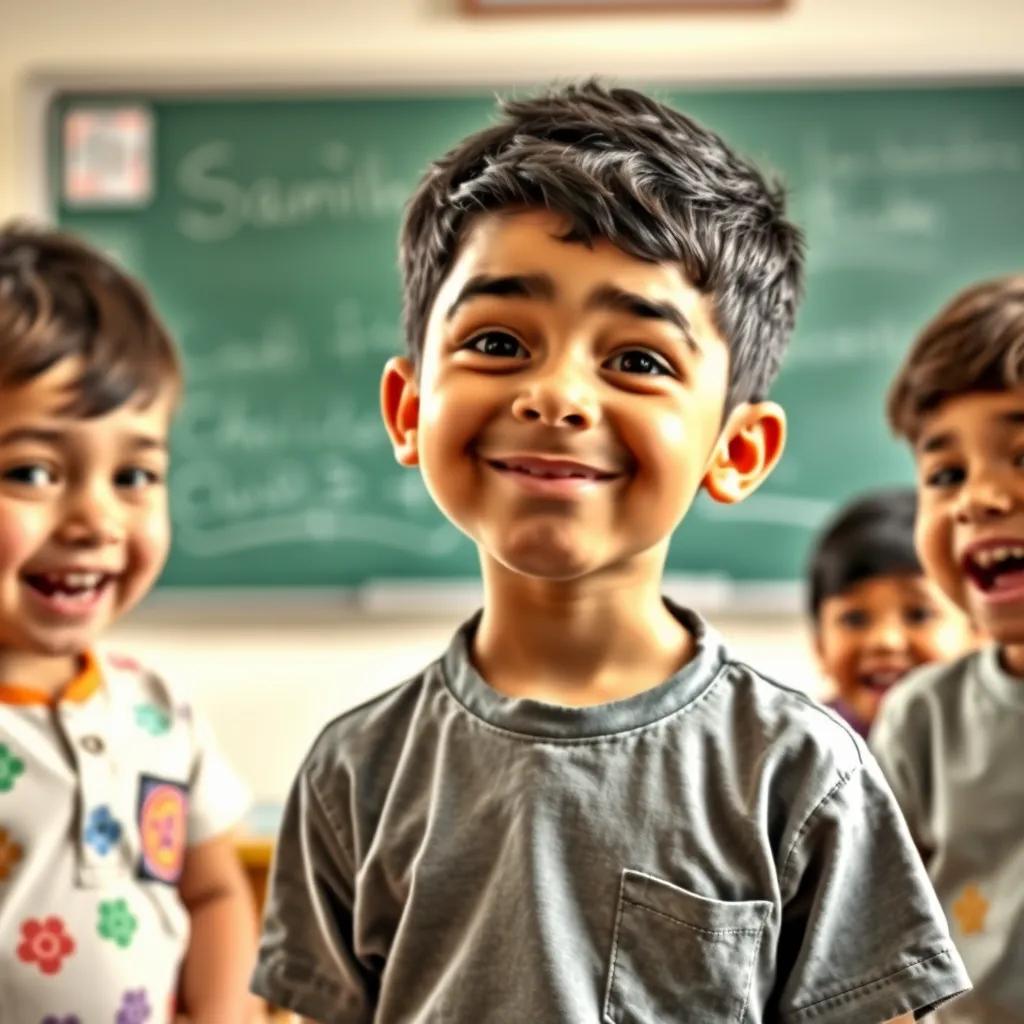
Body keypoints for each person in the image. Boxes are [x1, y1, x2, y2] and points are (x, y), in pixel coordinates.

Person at [253, 81, 969, 1023]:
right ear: (408, 408)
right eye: (500, 340)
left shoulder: (801, 773)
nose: (556, 397)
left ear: (735, 449)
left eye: (637, 359)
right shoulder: (357, 772)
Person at [0, 224, 258, 1023]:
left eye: (135, 474)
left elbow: (216, 892)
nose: (97, 519)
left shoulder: (159, 710)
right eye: (33, 471)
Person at [871, 275, 1024, 1023]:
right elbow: (876, 954)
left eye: (1021, 456)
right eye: (945, 474)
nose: (977, 499)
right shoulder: (920, 721)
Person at [807, 488, 975, 738]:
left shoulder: (1001, 740)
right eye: (854, 619)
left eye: (919, 614)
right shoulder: (803, 752)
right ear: (819, 646)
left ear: (979, 630)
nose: (885, 640)